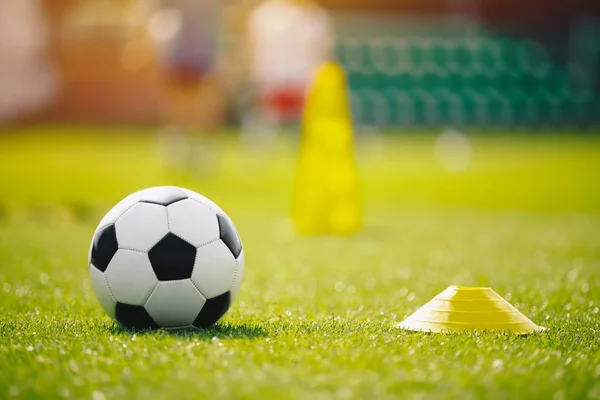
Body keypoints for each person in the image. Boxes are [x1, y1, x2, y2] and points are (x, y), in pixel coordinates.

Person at [150, 0, 227, 175]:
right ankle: (177, 149)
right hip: (180, 53)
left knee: (205, 108)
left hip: (204, 53)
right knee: (178, 107)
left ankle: (201, 152)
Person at [244, 0, 334, 143]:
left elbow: (322, 52)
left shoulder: (317, 17)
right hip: (273, 77)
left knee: (305, 118)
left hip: (305, 78)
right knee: (269, 115)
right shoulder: (267, 14)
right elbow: (258, 49)